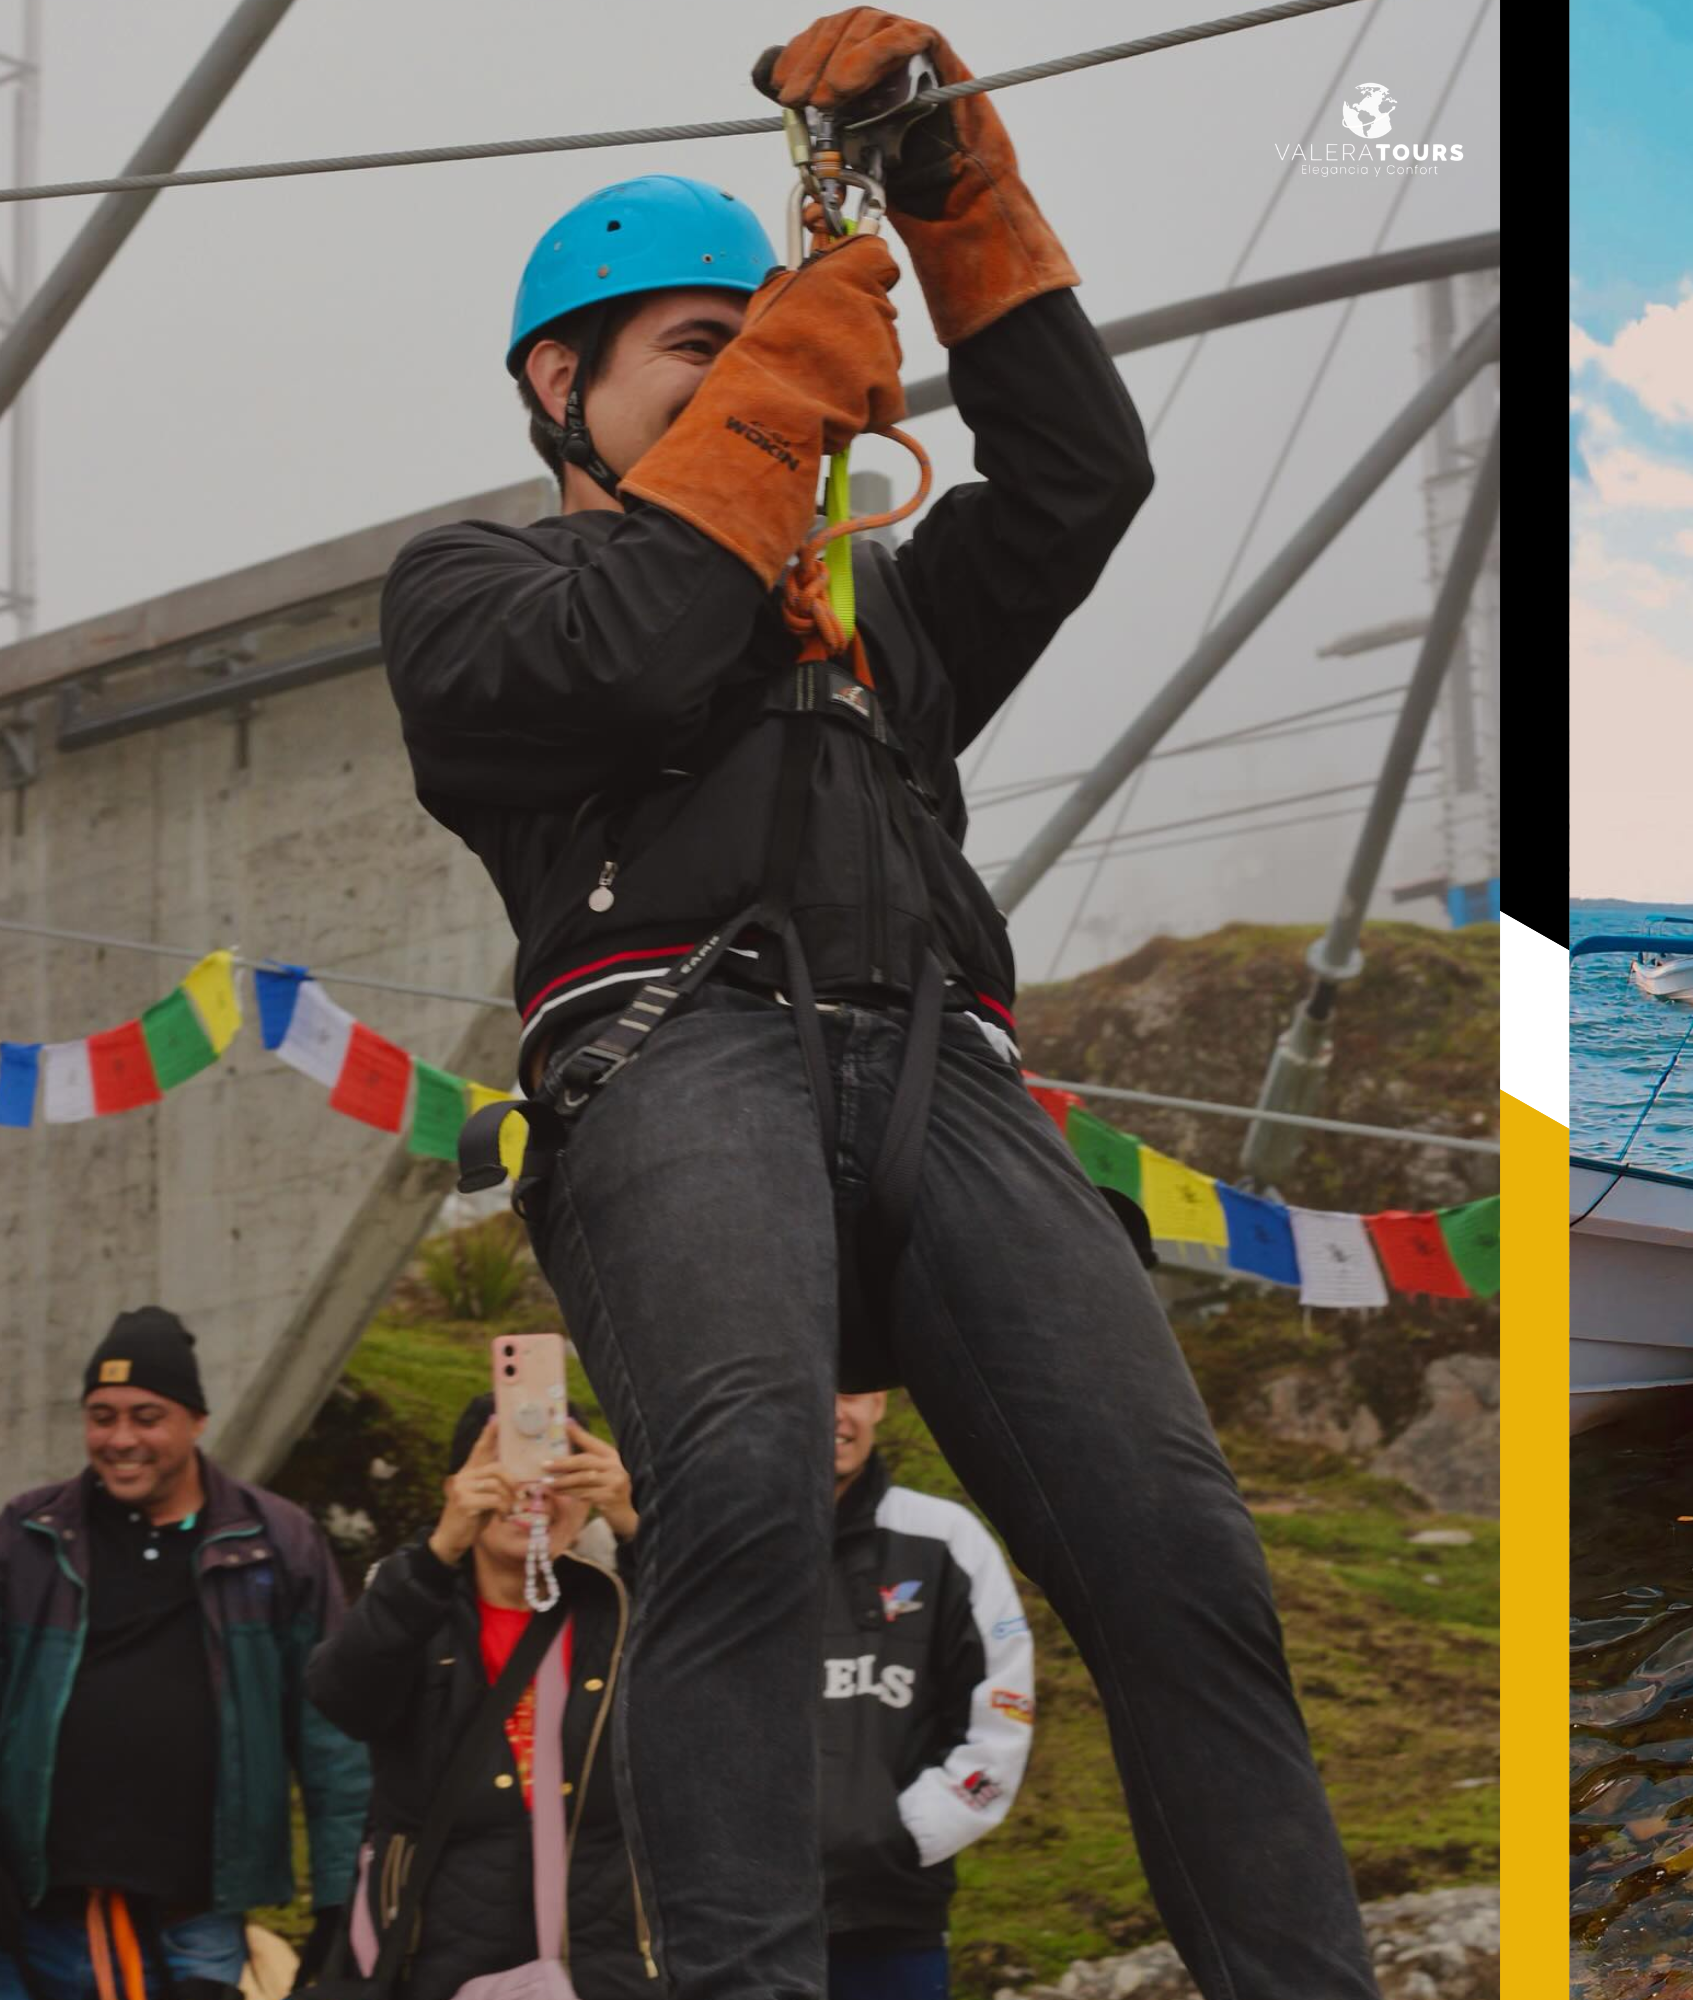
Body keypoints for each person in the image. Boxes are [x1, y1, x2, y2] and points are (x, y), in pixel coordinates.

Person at [374, 14, 1377, 1996]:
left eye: (775, 350)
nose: (763, 386)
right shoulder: (470, 594)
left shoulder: (878, 629)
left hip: (943, 1073)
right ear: (555, 388)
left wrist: (957, 196)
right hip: (676, 1056)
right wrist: (786, 393)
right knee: (739, 1484)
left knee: (1182, 1560)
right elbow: (642, 639)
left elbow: (1086, 473)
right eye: (702, 354)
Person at [0, 1309, 370, 1998]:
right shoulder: (27, 1536)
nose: (120, 1439)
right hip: (33, 1918)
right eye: (100, 1416)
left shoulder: (278, 1541)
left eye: (146, 1416)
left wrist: (340, 1900)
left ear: (197, 1420)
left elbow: (332, 1733)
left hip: (196, 1917)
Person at [307, 1397, 648, 1999]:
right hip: (435, 1966)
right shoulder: (414, 1607)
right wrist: (437, 1553)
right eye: (506, 1470)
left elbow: (720, 1670)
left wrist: (637, 1525)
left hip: (603, 1970)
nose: (532, 1493)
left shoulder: (620, 1612)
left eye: (557, 1473)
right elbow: (343, 1698)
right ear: (457, 1489)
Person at [818, 1390, 1034, 2000]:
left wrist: (905, 1832)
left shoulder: (946, 1538)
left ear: (880, 1404)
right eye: (820, 1386)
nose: (838, 1411)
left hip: (893, 1921)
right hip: (747, 1924)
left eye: (854, 1393)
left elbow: (1001, 1714)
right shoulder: (731, 1540)